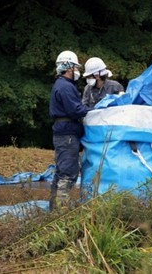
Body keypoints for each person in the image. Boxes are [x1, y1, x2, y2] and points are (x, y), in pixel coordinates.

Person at [49, 50, 90, 210]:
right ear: (69, 67)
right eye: (75, 67)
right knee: (68, 172)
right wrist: (92, 109)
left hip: (63, 132)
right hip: (68, 134)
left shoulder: (61, 84)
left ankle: (53, 208)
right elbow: (76, 110)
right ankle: (60, 210)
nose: (77, 71)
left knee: (60, 172)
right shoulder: (65, 87)